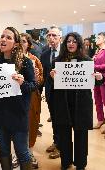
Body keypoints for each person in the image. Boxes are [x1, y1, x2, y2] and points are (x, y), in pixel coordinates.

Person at [49, 32, 104, 170]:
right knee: (64, 135)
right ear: (65, 43)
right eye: (68, 41)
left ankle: (80, 164)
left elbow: (94, 82)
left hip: (81, 104)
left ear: (78, 43)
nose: (71, 43)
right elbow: (53, 84)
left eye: (74, 41)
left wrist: (99, 78)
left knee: (81, 136)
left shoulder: (87, 61)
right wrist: (52, 77)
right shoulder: (57, 61)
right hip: (63, 104)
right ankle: (65, 162)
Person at [0, 27, 36, 170]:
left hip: (18, 114)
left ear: (16, 44)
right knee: (4, 151)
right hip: (0, 113)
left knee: (22, 152)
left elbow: (33, 86)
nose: (3, 39)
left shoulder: (25, 62)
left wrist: (23, 83)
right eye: (2, 36)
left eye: (9, 37)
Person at [21, 33, 43, 169]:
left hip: (32, 97)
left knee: (31, 124)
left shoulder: (34, 59)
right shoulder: (11, 59)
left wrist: (35, 77)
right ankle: (17, 154)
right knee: (16, 126)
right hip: (15, 99)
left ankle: (30, 153)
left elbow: (41, 80)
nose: (21, 44)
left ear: (29, 44)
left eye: (24, 41)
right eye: (19, 41)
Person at [40, 26, 62, 159]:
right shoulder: (44, 54)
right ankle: (56, 141)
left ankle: (62, 146)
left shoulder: (66, 52)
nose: (51, 38)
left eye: (54, 35)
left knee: (62, 120)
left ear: (60, 37)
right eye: (49, 35)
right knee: (54, 118)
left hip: (64, 93)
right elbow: (43, 75)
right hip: (50, 92)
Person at [93, 32, 105, 134]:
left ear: (104, 39)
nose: (96, 39)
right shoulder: (98, 50)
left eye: (98, 37)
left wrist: (94, 66)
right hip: (95, 78)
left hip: (104, 79)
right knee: (97, 100)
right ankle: (100, 120)